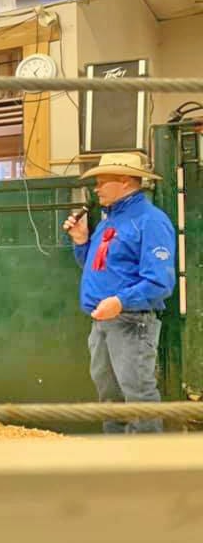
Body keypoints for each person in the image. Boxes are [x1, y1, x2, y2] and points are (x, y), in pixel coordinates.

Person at [62, 152, 176, 434]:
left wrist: (119, 301)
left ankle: (146, 470)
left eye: (102, 182)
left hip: (130, 320)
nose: (96, 189)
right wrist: (81, 242)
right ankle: (118, 464)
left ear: (125, 181)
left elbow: (160, 281)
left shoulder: (151, 221)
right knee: (111, 400)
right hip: (105, 320)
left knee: (138, 397)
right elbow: (98, 266)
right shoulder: (108, 221)